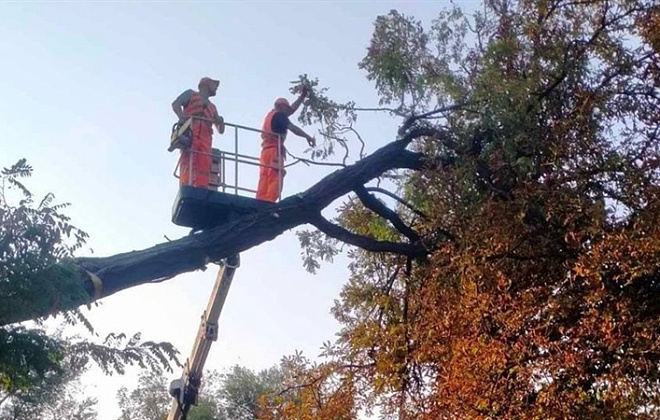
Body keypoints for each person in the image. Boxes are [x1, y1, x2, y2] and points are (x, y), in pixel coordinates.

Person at [256, 88, 316, 202]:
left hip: (265, 152)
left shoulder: (271, 115)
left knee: (264, 177)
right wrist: (307, 136)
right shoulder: (280, 116)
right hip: (274, 152)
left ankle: (260, 200)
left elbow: (291, 110)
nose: (288, 111)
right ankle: (269, 202)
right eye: (286, 108)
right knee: (275, 177)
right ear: (281, 106)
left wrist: (302, 97)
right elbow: (293, 128)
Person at [172, 77, 226, 188]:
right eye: (213, 84)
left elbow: (220, 130)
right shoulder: (191, 94)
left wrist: (221, 122)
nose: (216, 87)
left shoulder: (212, 107)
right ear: (205, 84)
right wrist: (182, 118)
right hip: (191, 132)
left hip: (206, 138)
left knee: (204, 165)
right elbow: (175, 104)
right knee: (188, 161)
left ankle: (201, 187)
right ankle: (187, 185)